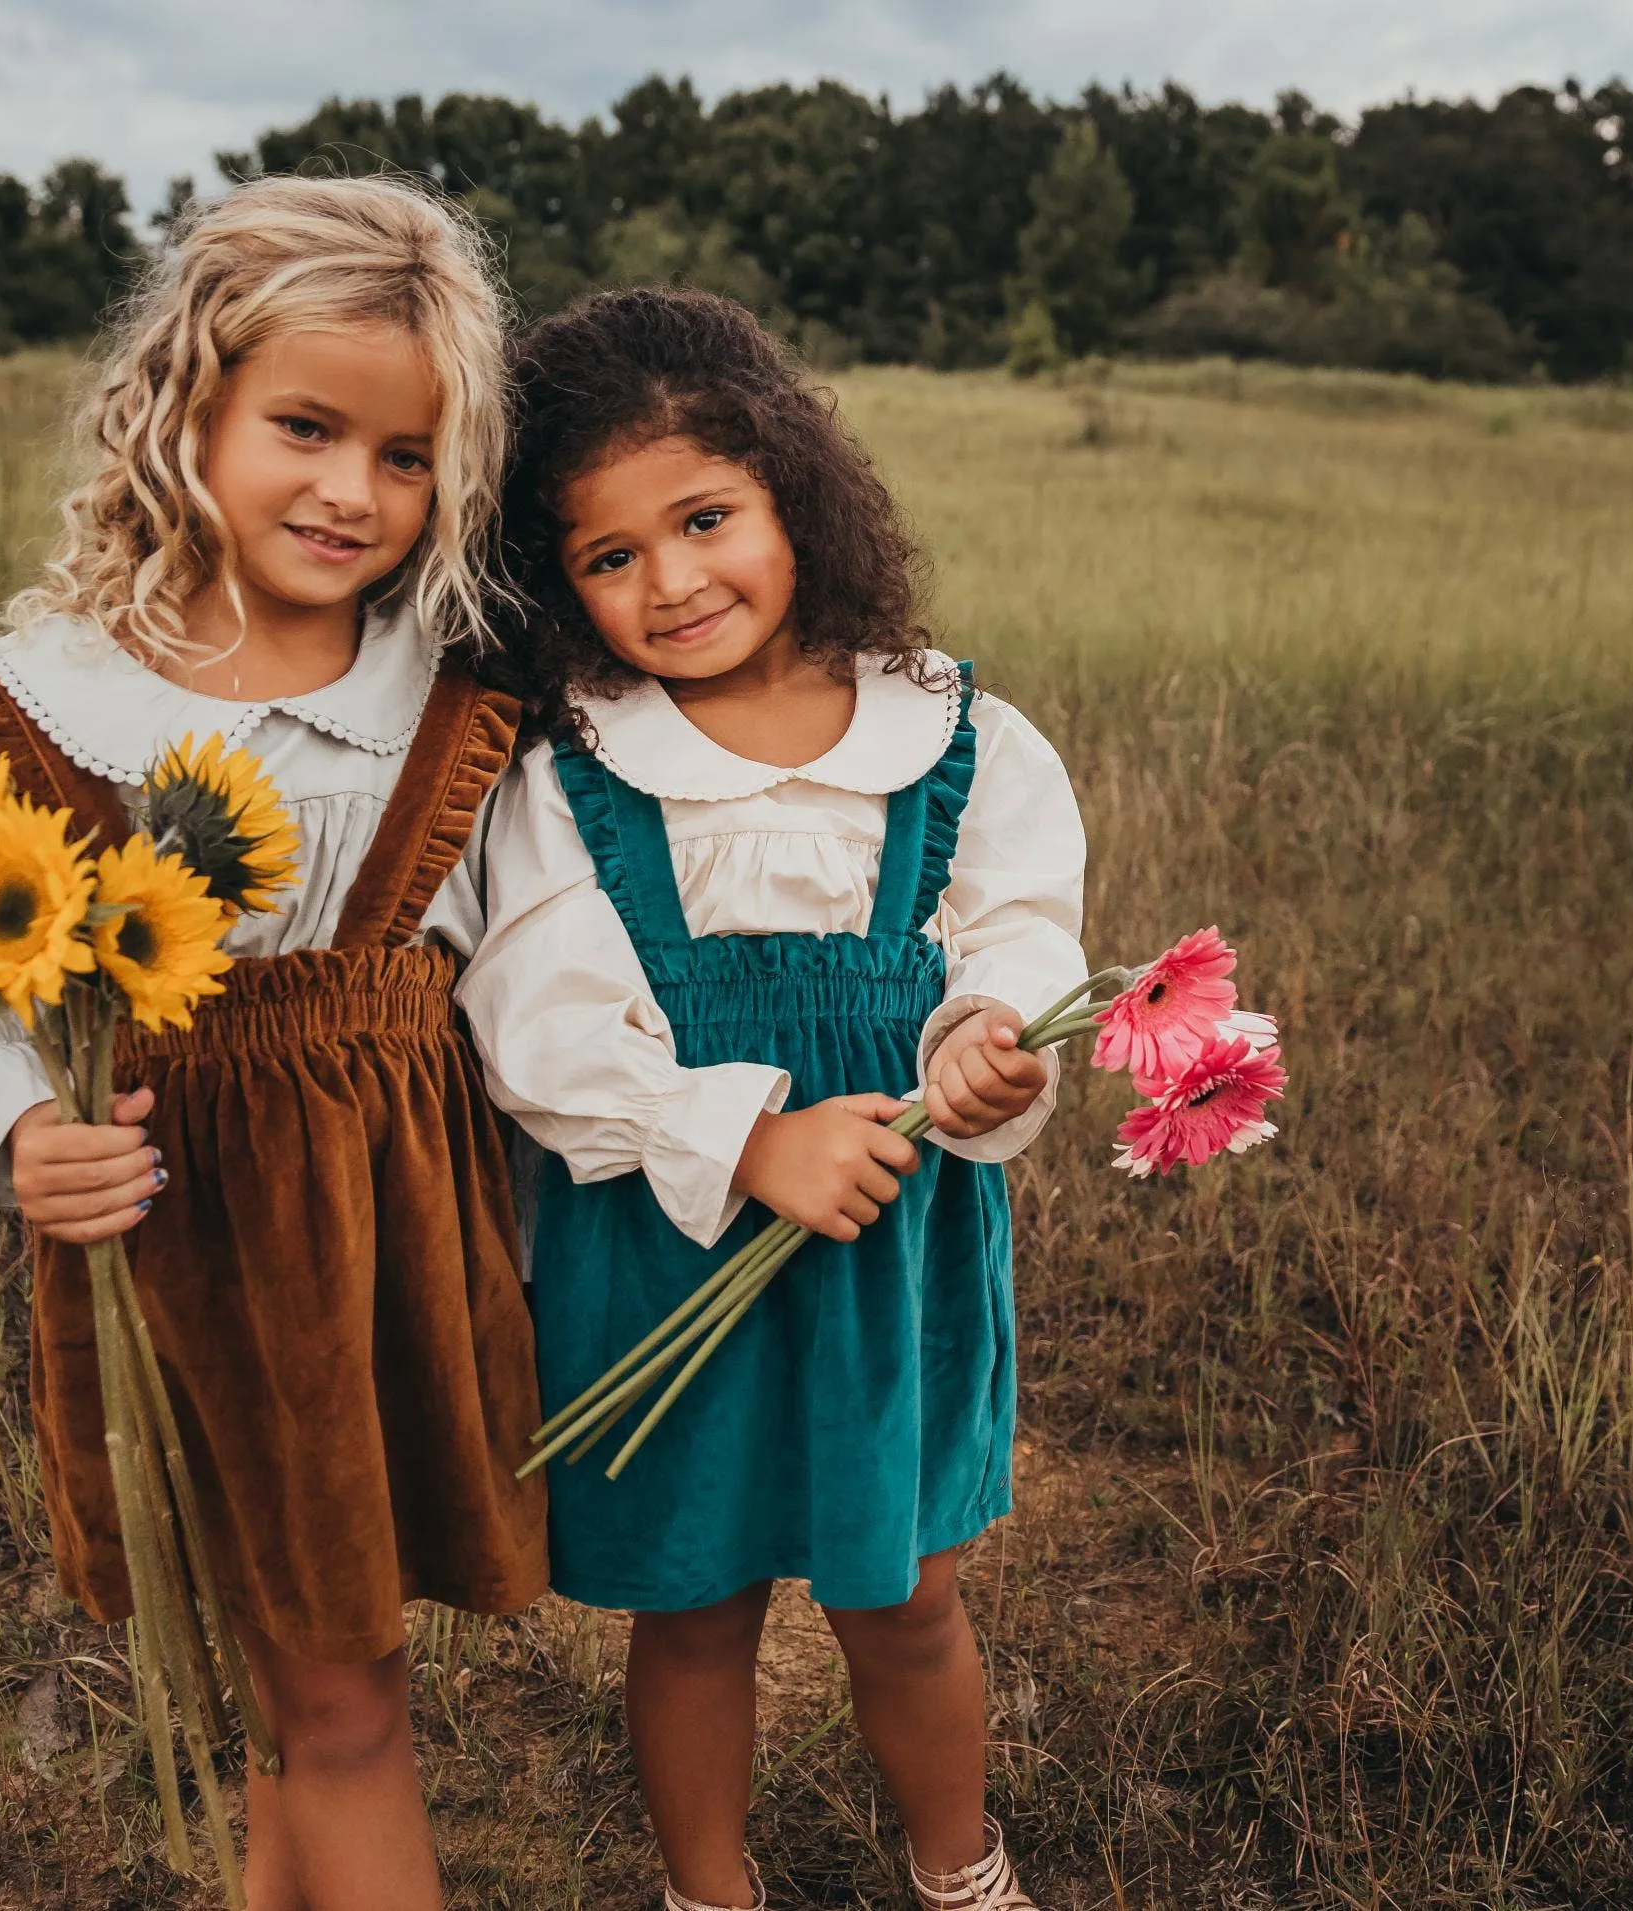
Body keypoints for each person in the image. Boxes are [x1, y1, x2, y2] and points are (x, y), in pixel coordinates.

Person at [0, 173, 543, 1911]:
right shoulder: (43, 694)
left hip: (394, 1221)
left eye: (408, 457)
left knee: (317, 1680)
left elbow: (520, 961)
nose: (353, 491)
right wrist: (25, 1127)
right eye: (305, 426)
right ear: (191, 406)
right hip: (181, 1225)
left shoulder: (452, 689)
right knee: (325, 1686)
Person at [463, 288, 1089, 1911]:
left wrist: (984, 1037)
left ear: (790, 492)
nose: (669, 583)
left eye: (703, 519)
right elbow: (533, 1015)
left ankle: (959, 1872)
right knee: (695, 1603)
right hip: (667, 1243)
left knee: (907, 1599)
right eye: (609, 556)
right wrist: (742, 1138)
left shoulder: (958, 732)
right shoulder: (568, 769)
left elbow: (1017, 934)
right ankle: (708, 1893)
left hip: (889, 1230)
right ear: (558, 582)